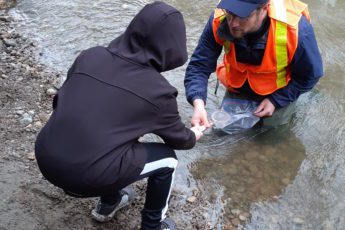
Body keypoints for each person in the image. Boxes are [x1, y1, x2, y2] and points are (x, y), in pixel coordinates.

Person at [34, 2, 204, 230]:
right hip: (85, 177)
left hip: (46, 157)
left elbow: (61, 103)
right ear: (173, 46)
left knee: (110, 135)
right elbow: (180, 141)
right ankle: (153, 225)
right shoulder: (158, 91)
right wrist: (194, 133)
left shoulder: (90, 56)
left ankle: (109, 203)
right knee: (168, 159)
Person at [184, 0, 323, 131]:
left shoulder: (296, 29)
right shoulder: (219, 18)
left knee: (272, 136)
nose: (233, 24)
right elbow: (199, 65)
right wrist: (198, 102)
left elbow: (310, 75)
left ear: (263, 9)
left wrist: (276, 100)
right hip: (237, 87)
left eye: (242, 16)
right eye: (230, 14)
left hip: (278, 91)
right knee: (222, 132)